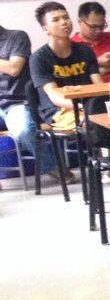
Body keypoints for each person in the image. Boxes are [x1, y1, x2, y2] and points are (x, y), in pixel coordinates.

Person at [30, 1, 102, 137]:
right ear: (45, 29)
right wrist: (81, 107)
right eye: (56, 20)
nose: (64, 22)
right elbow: (54, 97)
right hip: (59, 111)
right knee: (94, 124)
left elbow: (100, 86)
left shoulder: (86, 51)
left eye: (66, 17)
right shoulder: (39, 58)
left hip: (89, 107)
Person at [0, 21, 55, 181]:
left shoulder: (16, 37)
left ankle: (54, 168)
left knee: (25, 130)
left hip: (15, 102)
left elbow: (14, 68)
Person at [71, 1, 110, 77]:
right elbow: (73, 76)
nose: (98, 31)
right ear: (79, 22)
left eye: (101, 26)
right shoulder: (71, 45)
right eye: (93, 26)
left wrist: (106, 69)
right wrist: (97, 63)